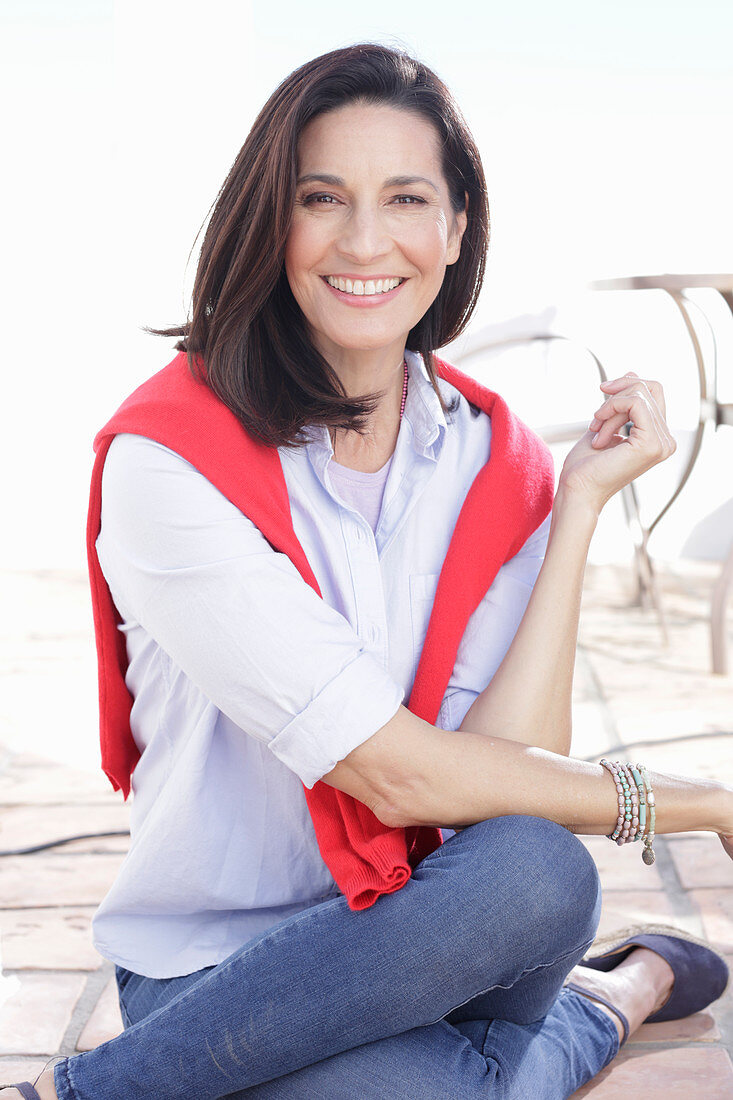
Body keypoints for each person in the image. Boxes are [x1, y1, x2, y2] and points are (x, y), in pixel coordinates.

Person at [4, 41, 731, 1100]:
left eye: (404, 198)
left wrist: (575, 505)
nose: (363, 240)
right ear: (271, 220)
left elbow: (500, 770)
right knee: (432, 1089)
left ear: (453, 227)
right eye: (321, 197)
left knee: (539, 866)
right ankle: (609, 995)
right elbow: (396, 772)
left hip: (422, 929)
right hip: (213, 978)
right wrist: (703, 801)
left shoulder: (494, 457)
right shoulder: (170, 459)